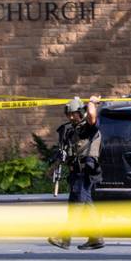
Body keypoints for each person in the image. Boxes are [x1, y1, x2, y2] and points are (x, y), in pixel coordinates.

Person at [47, 95, 104, 250]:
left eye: (74, 114)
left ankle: (64, 238)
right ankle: (96, 238)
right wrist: (53, 168)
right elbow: (65, 152)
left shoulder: (89, 127)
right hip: (76, 172)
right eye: (69, 114)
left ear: (81, 112)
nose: (71, 117)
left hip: (85, 171)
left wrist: (91, 102)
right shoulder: (72, 130)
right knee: (86, 205)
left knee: (76, 205)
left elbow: (92, 115)